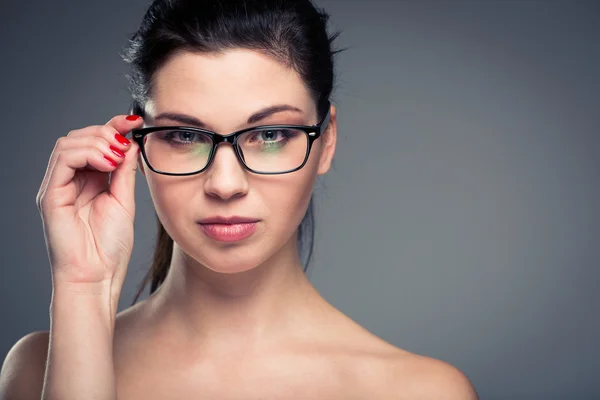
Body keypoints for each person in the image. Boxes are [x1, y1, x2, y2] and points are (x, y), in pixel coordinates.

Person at [0, 0, 478, 398]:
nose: (225, 184)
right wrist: (84, 287)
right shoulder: (38, 371)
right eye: (184, 134)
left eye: (269, 134)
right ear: (137, 145)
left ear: (326, 140)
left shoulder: (419, 391)